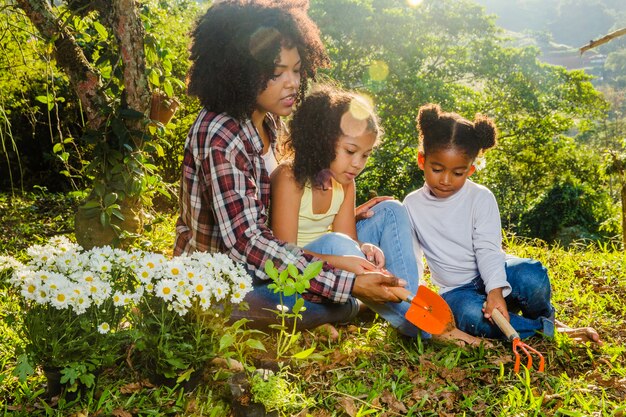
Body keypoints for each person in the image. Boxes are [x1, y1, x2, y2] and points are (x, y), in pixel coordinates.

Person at [174, 0, 407, 333]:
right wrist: (347, 283)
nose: (292, 83)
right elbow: (249, 243)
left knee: (385, 217)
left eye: (296, 70)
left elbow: (277, 209)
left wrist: (344, 210)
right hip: (232, 278)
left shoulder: (267, 119)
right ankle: (360, 304)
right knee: (308, 304)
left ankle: (382, 303)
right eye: (276, 72)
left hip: (278, 257)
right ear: (238, 70)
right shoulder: (220, 135)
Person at [270, 85, 483, 345]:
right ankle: (426, 327)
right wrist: (342, 260)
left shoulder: (344, 183)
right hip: (295, 277)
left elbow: (349, 240)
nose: (358, 164)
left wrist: (364, 248)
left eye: (365, 155)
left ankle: (408, 296)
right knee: (336, 243)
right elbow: (283, 256)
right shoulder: (288, 178)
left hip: (335, 270)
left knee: (390, 209)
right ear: (323, 140)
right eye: (350, 151)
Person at [403, 103, 602, 344]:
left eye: (457, 173)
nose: (445, 180)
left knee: (533, 275)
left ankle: (542, 317)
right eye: (437, 169)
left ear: (471, 170)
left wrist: (495, 290)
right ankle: (545, 329)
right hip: (456, 292)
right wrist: (415, 298)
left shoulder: (480, 197)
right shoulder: (412, 205)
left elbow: (488, 249)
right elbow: (412, 258)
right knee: (469, 315)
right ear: (422, 160)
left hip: (496, 273)